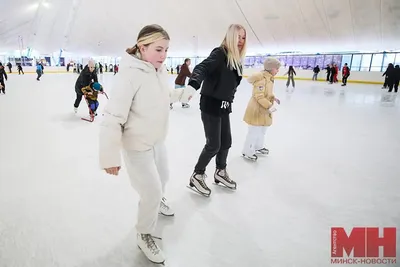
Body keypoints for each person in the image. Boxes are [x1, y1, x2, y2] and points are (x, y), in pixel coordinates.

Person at [99, 24, 173, 264]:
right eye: (159, 49)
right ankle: (144, 233)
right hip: (137, 146)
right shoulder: (129, 75)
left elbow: (163, 97)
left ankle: (157, 201)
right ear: (142, 47)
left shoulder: (158, 70)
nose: (164, 56)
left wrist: (181, 95)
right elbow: (112, 118)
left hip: (157, 140)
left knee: (163, 179)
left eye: (166, 50)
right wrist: (110, 157)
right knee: (151, 191)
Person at [185, 24, 247, 197]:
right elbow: (202, 67)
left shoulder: (236, 60)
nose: (241, 41)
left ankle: (220, 172)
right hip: (211, 103)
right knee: (214, 144)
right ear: (230, 37)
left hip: (224, 105)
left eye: (243, 38)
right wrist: (193, 85)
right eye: (238, 37)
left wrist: (229, 101)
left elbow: (231, 86)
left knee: (226, 141)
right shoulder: (220, 53)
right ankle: (197, 175)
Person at [242, 57, 281, 161]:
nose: (278, 70)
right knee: (254, 131)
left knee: (262, 130)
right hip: (257, 109)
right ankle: (247, 151)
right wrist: (270, 106)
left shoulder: (269, 78)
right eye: (277, 68)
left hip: (263, 109)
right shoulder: (261, 79)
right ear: (271, 68)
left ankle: (258, 147)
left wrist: (273, 98)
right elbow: (259, 96)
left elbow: (267, 93)